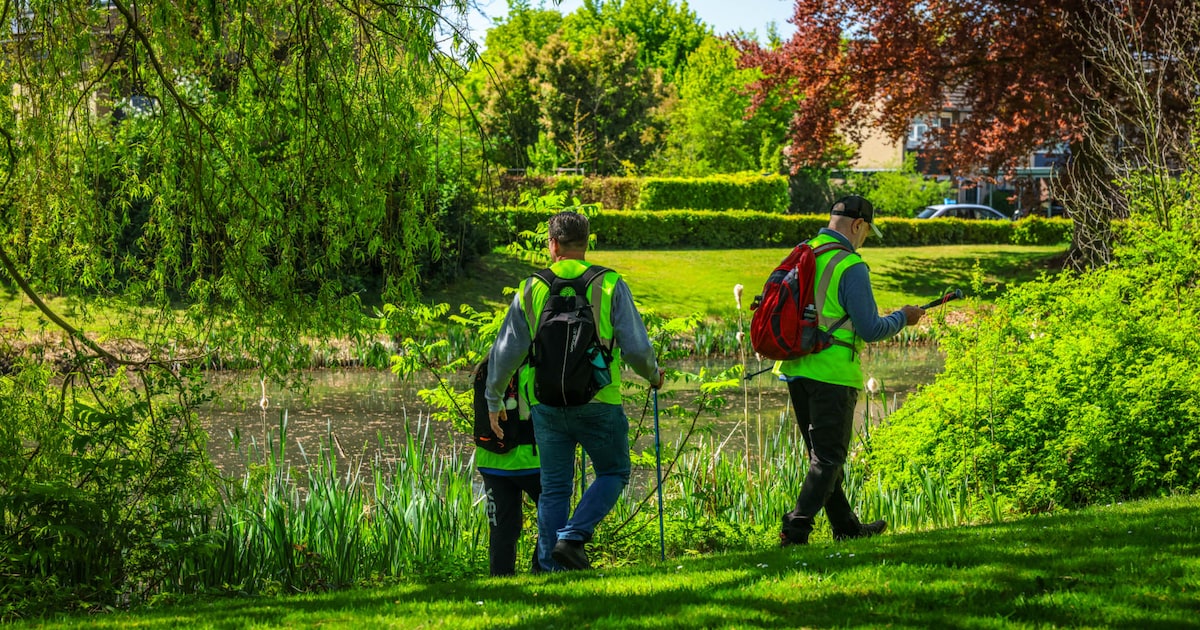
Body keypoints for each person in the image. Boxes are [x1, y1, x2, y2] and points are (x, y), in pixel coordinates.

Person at [484, 211, 664, 572]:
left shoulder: (531, 287)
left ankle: (554, 568)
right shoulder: (609, 283)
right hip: (600, 400)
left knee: (553, 489)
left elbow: (505, 352)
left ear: (552, 244)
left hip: (546, 404)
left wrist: (493, 398)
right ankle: (573, 537)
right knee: (614, 471)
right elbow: (636, 348)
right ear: (586, 243)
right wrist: (653, 375)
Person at [776, 195, 924, 546]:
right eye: (867, 231)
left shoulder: (803, 252)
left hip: (795, 367)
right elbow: (871, 329)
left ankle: (846, 527)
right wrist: (904, 316)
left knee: (823, 459)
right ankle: (795, 530)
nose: (865, 238)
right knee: (829, 459)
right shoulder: (849, 265)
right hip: (832, 372)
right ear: (858, 225)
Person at [475, 363, 541, 577]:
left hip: (492, 461)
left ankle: (500, 577)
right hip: (533, 460)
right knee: (552, 517)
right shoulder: (533, 365)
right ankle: (542, 568)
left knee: (502, 528)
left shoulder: (484, 368)